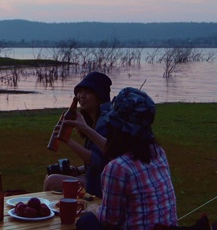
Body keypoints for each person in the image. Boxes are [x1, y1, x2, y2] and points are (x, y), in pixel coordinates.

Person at [76, 87, 177, 230]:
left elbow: (109, 221)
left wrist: (93, 209)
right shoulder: (157, 152)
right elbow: (113, 152)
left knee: (86, 221)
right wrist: (85, 128)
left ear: (115, 127)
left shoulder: (118, 168)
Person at [43, 71, 112, 198]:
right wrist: (77, 170)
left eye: (88, 92)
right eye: (80, 91)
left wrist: (68, 140)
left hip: (105, 185)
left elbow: (97, 162)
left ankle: (56, 215)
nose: (81, 96)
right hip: (100, 177)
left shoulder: (104, 123)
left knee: (51, 181)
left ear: (99, 96)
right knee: (51, 176)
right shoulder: (94, 120)